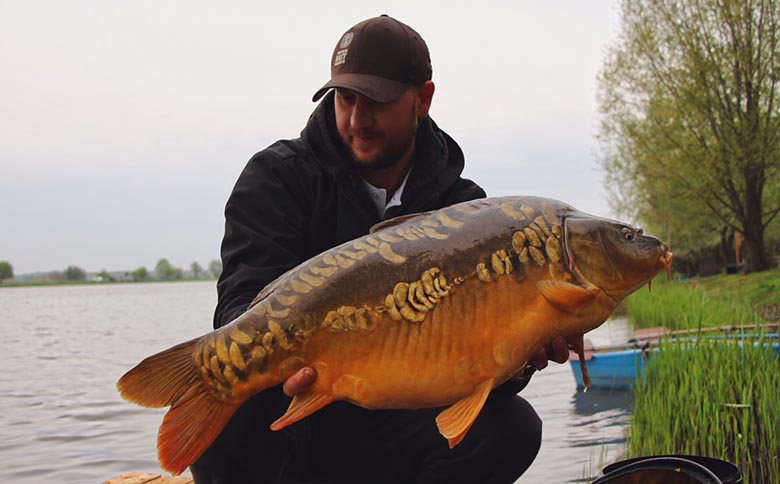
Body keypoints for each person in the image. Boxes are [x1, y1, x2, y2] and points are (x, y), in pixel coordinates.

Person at [192, 15, 569, 484]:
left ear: (423, 99)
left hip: (395, 424)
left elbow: (476, 370)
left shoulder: (465, 212)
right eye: (345, 99)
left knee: (511, 428)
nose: (356, 120)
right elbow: (238, 305)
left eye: (376, 102)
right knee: (228, 420)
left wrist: (519, 359)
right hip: (295, 421)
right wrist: (279, 366)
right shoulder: (277, 178)